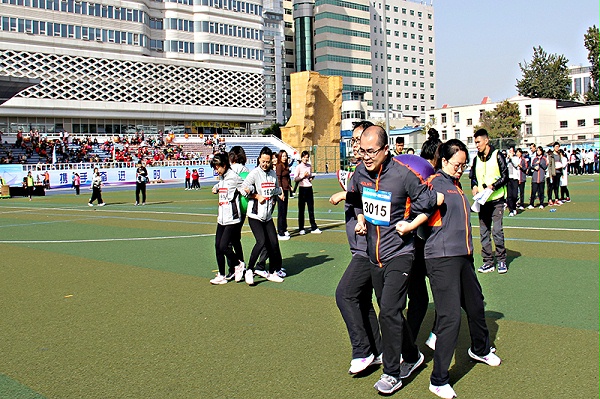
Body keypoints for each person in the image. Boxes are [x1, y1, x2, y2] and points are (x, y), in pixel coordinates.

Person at [347, 125, 442, 394]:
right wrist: (361, 218)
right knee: (390, 313)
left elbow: (429, 201)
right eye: (362, 151)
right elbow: (355, 198)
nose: (365, 156)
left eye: (371, 151)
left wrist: (411, 226)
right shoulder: (360, 173)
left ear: (386, 150)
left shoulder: (403, 174)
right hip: (372, 254)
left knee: (388, 310)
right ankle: (412, 356)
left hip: (400, 254)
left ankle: (392, 372)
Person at [425, 139, 501, 399]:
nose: (461, 169)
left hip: (463, 256)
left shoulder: (455, 185)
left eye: (463, 165)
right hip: (442, 258)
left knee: (476, 305)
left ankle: (480, 349)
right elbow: (421, 215)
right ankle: (438, 378)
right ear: (444, 161)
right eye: (457, 165)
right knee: (449, 317)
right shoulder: (435, 183)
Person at [329, 120, 382, 375]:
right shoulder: (359, 171)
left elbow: (371, 198)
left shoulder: (370, 172)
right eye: (355, 141)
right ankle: (380, 349)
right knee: (362, 300)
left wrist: (353, 206)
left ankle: (362, 350)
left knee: (345, 294)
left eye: (362, 141)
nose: (358, 146)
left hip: (368, 249)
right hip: (360, 247)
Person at [241, 146, 285, 285]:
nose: (265, 164)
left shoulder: (272, 174)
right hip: (255, 215)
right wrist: (255, 195)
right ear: (259, 159)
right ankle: (249, 270)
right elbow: (243, 189)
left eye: (268, 161)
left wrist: (281, 192)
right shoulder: (254, 173)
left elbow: (275, 189)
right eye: (263, 161)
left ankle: (272, 272)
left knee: (273, 243)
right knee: (261, 242)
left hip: (267, 216)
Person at [469, 129, 509, 274]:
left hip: (496, 200)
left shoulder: (498, 155)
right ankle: (488, 262)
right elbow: (473, 176)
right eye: (475, 142)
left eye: (478, 142)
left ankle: (502, 260)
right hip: (482, 201)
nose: (477, 145)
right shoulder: (476, 158)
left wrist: (493, 186)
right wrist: (474, 185)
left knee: (497, 231)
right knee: (483, 232)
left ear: (486, 140)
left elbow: (505, 176)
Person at [208, 153, 246, 285]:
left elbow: (245, 187)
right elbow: (221, 185)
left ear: (224, 165)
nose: (216, 170)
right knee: (217, 246)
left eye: (217, 167)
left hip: (232, 219)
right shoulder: (223, 178)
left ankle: (238, 264)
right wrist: (216, 188)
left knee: (224, 246)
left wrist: (248, 190)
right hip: (222, 218)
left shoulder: (234, 178)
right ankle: (222, 275)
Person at [294, 150, 321, 235]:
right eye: (304, 157)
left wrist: (311, 178)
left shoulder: (309, 166)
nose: (305, 159)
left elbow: (309, 176)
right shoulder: (298, 167)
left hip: (309, 188)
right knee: (301, 209)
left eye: (307, 157)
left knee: (311, 209)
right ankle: (301, 228)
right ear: (301, 158)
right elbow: (295, 179)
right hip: (302, 189)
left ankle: (313, 227)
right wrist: (303, 176)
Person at [276, 150, 292, 240]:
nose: (285, 158)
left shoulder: (285, 166)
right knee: (281, 211)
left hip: (286, 190)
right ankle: (280, 232)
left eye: (286, 156)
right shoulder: (279, 166)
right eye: (283, 156)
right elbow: (278, 179)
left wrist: (289, 186)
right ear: (280, 157)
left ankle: (284, 229)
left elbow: (286, 178)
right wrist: (281, 192)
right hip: (281, 191)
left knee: (284, 211)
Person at [505, 146, 520, 217]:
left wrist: (511, 157)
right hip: (508, 179)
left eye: (511, 151)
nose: (510, 152)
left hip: (515, 178)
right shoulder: (507, 159)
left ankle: (514, 208)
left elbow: (516, 164)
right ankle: (511, 210)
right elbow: (504, 165)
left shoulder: (516, 158)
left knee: (515, 195)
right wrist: (508, 158)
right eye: (509, 151)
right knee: (509, 196)